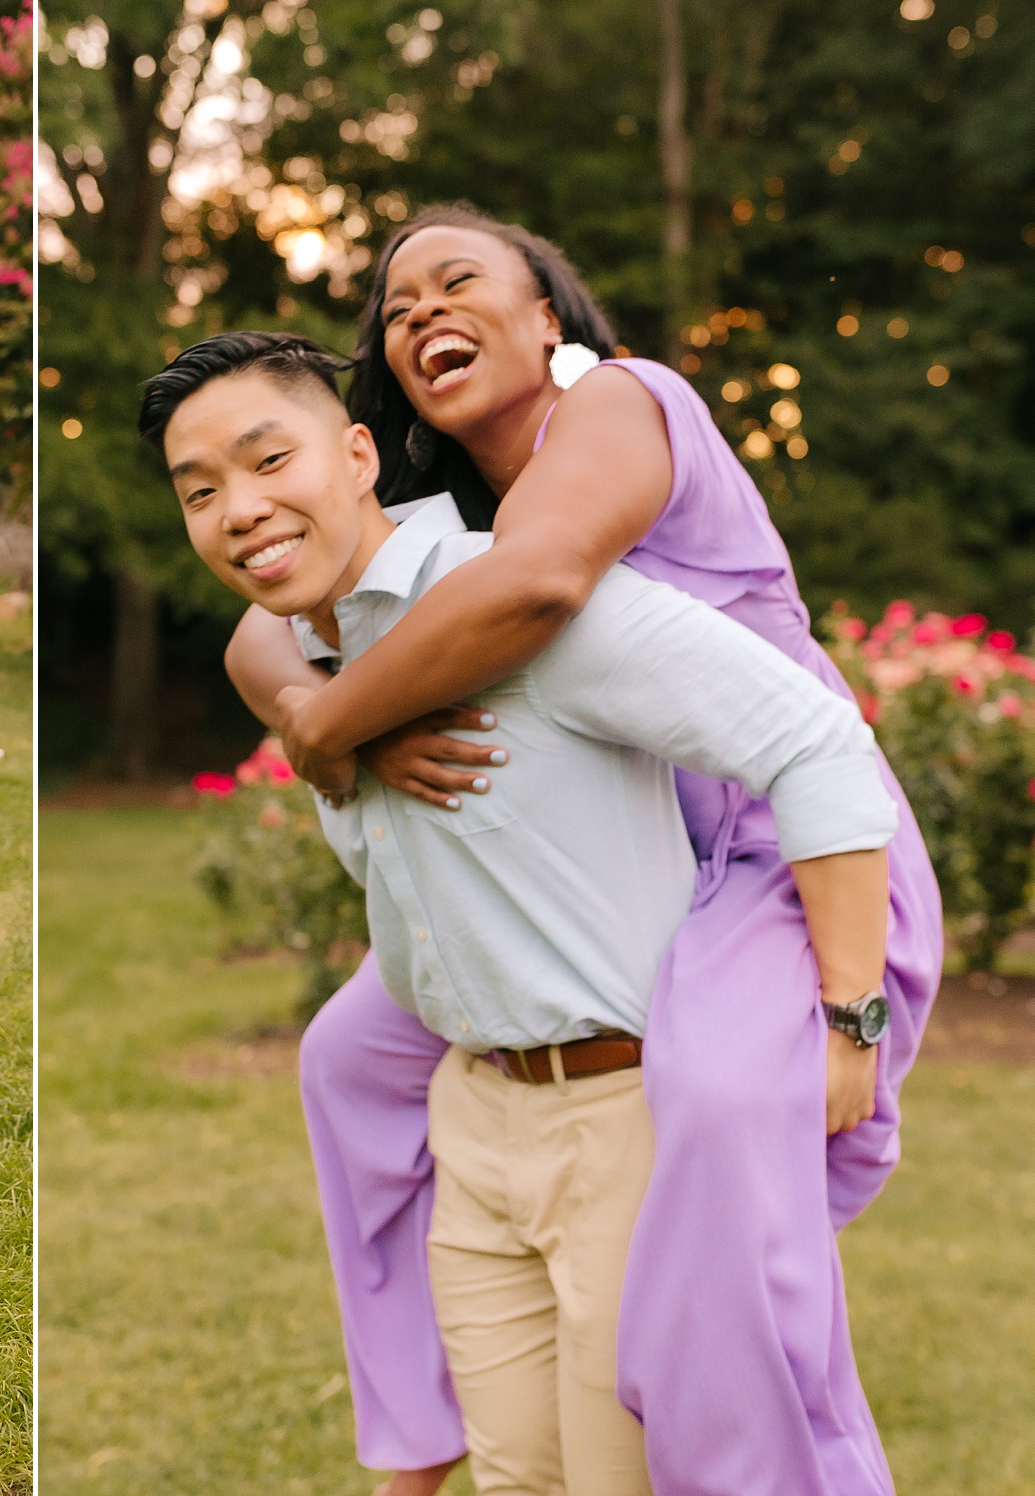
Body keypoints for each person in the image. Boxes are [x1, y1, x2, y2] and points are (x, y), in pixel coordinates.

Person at [220, 207, 939, 1496]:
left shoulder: (618, 400)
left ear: (546, 313)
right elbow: (263, 634)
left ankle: (758, 1443)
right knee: (343, 1058)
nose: (421, 312)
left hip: (780, 843)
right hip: (635, 847)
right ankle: (416, 1432)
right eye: (395, 310)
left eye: (458, 283)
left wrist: (335, 721)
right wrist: (330, 722)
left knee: (711, 1100)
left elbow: (542, 584)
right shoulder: (448, 515)